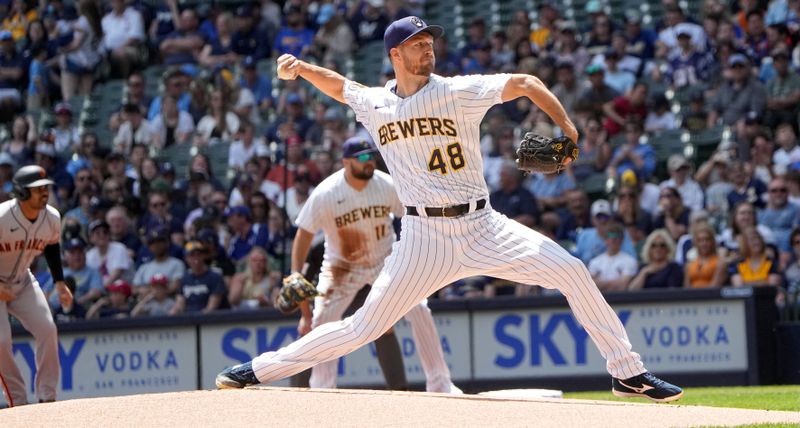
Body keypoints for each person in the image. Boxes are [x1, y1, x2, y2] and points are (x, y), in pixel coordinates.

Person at [215, 16, 682, 402]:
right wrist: (300, 67)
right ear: (395, 55)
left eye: (429, 41)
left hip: (483, 225)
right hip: (422, 239)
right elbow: (339, 86)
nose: (428, 49)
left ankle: (627, 372)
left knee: (572, 270)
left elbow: (526, 82)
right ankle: (257, 370)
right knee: (360, 327)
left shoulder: (458, 91)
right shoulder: (376, 103)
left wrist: (568, 129)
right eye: (417, 44)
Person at [284, 137, 459, 393]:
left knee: (420, 309)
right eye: (363, 158)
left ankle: (439, 381)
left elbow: (415, 217)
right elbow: (304, 234)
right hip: (342, 267)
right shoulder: (327, 192)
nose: (370, 162)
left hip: (384, 262)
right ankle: (322, 388)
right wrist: (295, 273)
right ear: (346, 162)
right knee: (321, 321)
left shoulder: (385, 184)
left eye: (372, 156)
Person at [0, 165, 73, 407]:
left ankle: (47, 396)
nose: (44, 193)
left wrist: (60, 283)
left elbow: (52, 247)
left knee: (47, 328)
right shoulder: (2, 217)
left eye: (45, 188)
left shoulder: (51, 216)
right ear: (21, 193)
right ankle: (18, 402)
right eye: (36, 189)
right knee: (0, 342)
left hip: (22, 280)